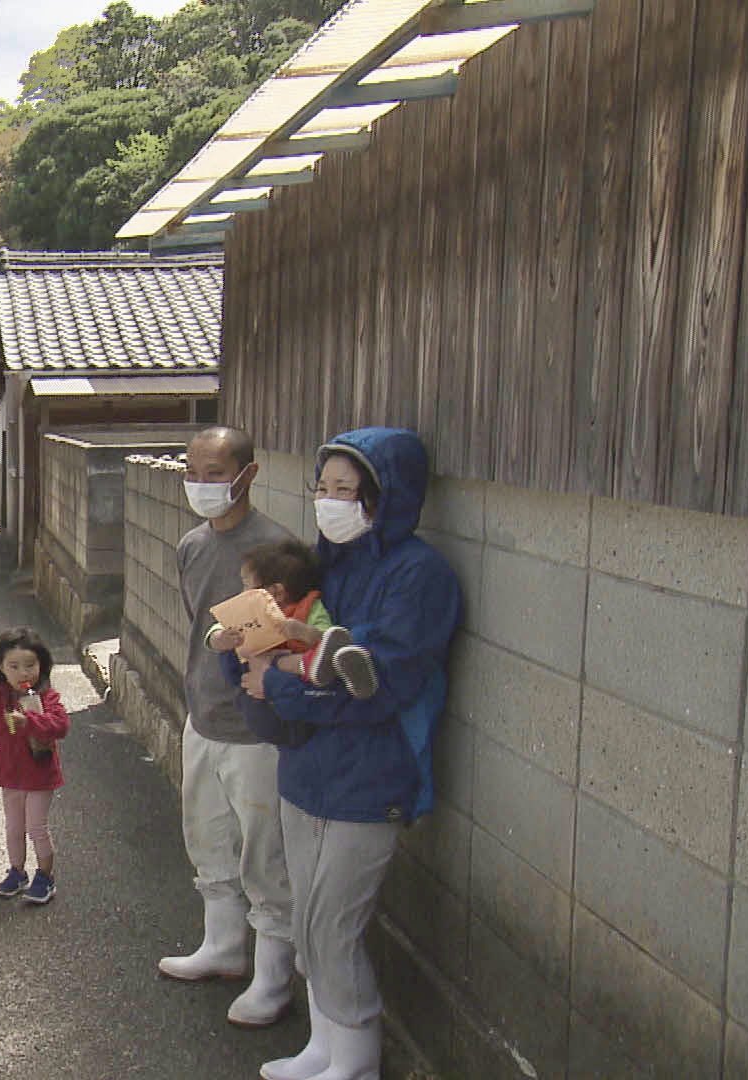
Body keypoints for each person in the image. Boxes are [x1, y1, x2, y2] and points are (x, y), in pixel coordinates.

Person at [232, 428, 461, 1080]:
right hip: (306, 771)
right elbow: (264, 629)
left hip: (372, 779)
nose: (329, 502)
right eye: (323, 487)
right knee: (308, 920)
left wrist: (275, 683)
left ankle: (357, 1057)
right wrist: (247, 653)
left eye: (347, 490)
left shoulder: (420, 576)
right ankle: (323, 1045)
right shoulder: (319, 564)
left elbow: (382, 687)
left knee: (334, 926)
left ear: (385, 497)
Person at [158, 426, 298, 1031]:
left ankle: (272, 979)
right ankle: (222, 947)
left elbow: (289, 639)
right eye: (193, 470)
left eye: (216, 472)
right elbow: (199, 628)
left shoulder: (277, 548)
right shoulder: (191, 545)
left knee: (266, 856)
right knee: (207, 836)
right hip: (203, 717)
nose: (202, 484)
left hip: (260, 729)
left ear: (248, 474)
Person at [0, 627, 70, 905]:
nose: (23, 673)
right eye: (14, 666)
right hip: (9, 775)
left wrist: (31, 722)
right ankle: (17, 871)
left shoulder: (47, 697)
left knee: (37, 827)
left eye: (30, 665)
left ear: (42, 665)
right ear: (0, 667)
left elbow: (61, 725)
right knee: (14, 827)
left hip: (40, 775)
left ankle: (45, 877)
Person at [207, 539, 377, 700]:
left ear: (276, 592)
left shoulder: (311, 609)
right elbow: (217, 628)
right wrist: (219, 638)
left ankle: (351, 668)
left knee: (321, 659)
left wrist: (302, 632)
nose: (242, 591)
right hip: (249, 675)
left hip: (290, 683)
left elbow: (328, 640)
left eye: (246, 584)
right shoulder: (246, 609)